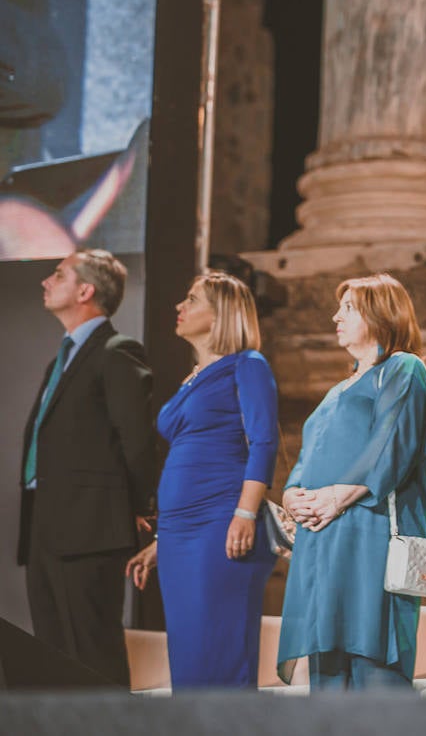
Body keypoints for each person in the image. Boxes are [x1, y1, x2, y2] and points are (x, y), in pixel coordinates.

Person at [276, 274, 426, 690]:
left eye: (348, 308)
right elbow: (309, 453)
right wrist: (292, 494)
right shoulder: (337, 389)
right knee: (327, 667)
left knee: (373, 662)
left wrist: (337, 497)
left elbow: (393, 444)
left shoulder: (403, 368)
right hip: (323, 537)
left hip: (369, 530)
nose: (336, 316)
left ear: (380, 313)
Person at [124, 271, 279, 688]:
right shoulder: (193, 377)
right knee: (189, 659)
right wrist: (161, 542)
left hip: (222, 524)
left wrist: (245, 513)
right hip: (179, 533)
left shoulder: (247, 365)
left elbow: (264, 441)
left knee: (221, 657)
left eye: (191, 300)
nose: (179, 307)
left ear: (219, 315)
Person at [18, 249, 157, 685]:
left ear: (85, 290)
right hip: (46, 524)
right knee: (53, 653)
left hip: (90, 529)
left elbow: (137, 441)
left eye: (57, 274)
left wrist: (138, 506)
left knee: (92, 653)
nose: (45, 281)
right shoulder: (62, 357)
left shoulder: (118, 351)